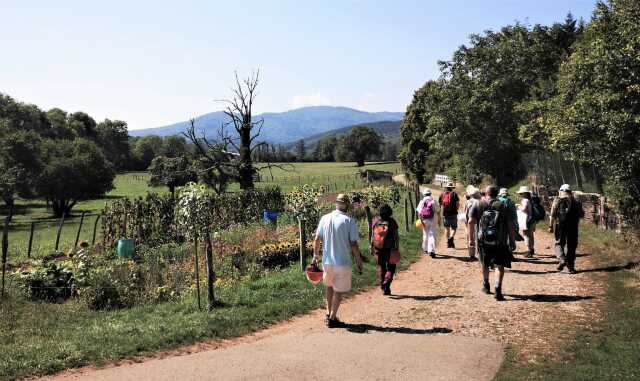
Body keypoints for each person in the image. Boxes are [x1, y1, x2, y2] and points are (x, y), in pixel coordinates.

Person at [313, 193, 364, 328]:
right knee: (338, 290)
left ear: (336, 204)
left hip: (327, 261)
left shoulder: (325, 218)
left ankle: (328, 313)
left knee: (329, 286)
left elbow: (317, 239)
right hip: (342, 261)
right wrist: (359, 260)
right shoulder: (349, 221)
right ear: (347, 205)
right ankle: (333, 318)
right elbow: (353, 244)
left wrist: (315, 256)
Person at [468, 186, 517, 301]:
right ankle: (498, 289)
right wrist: (512, 240)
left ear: (485, 193)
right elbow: (510, 224)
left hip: (482, 240)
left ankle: (486, 285)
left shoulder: (478, 204)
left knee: (484, 263)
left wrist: (471, 239)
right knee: (499, 265)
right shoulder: (503, 205)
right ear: (497, 194)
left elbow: (470, 221)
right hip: (500, 240)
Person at [549, 184, 584, 274]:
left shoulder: (557, 200)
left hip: (560, 225)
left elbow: (552, 214)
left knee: (559, 243)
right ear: (570, 192)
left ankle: (562, 260)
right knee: (572, 245)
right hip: (573, 226)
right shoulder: (576, 201)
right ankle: (571, 267)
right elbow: (581, 214)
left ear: (561, 191)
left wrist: (550, 226)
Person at [371, 204, 400, 295]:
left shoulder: (376, 221)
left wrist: (371, 245)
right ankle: (387, 282)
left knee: (381, 266)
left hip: (378, 247)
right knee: (392, 266)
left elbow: (372, 235)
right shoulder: (392, 222)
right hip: (390, 248)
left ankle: (383, 284)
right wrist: (397, 247)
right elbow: (396, 236)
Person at [416, 188, 439, 257]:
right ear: (430, 194)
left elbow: (419, 212)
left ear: (424, 194)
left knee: (425, 233)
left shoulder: (422, 201)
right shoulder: (433, 200)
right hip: (433, 219)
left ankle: (425, 248)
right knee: (432, 234)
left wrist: (420, 220)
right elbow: (437, 210)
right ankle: (431, 250)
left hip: (424, 219)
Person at [439, 181, 460, 249]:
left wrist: (442, 212)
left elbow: (440, 204)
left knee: (447, 228)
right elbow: (457, 204)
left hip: (445, 214)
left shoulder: (442, 194)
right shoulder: (454, 194)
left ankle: (448, 241)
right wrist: (456, 209)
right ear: (452, 188)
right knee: (454, 227)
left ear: (446, 187)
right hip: (453, 213)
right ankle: (451, 237)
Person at [516, 186, 536, 258]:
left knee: (526, 235)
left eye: (521, 193)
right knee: (530, 235)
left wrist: (518, 206)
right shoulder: (529, 200)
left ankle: (529, 250)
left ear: (524, 193)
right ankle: (531, 249)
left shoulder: (525, 200)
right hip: (530, 219)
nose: (520, 194)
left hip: (526, 220)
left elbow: (524, 209)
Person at [465, 186, 481, 260]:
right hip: (476, 222)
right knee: (477, 238)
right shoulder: (478, 202)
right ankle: (480, 255)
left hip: (468, 221)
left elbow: (466, 212)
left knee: (470, 238)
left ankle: (471, 254)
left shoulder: (468, 201)